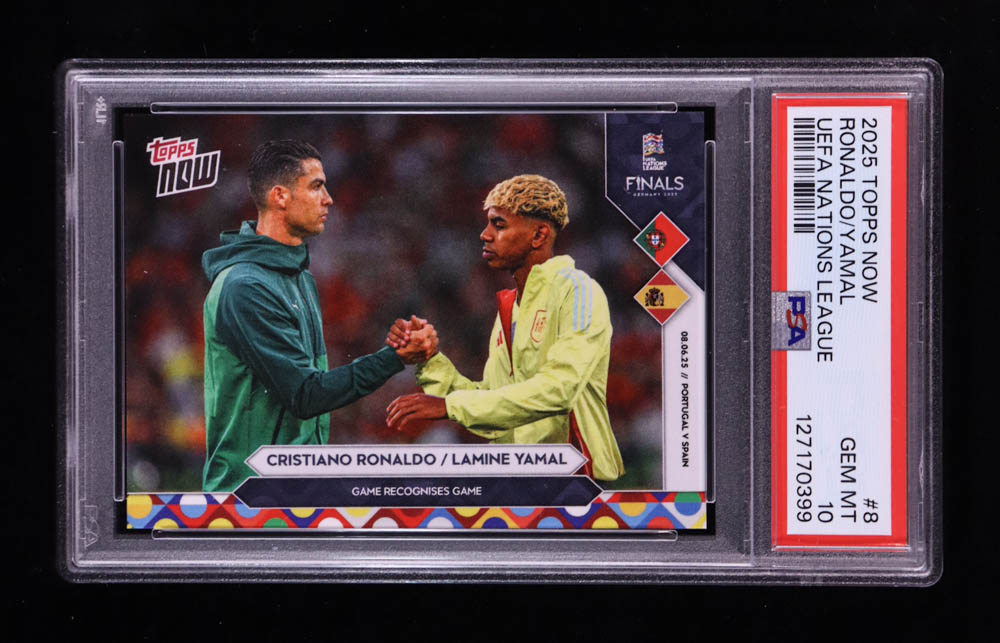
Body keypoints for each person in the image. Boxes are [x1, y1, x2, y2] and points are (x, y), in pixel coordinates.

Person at [201, 140, 436, 492]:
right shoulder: (245, 287)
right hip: (247, 497)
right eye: (316, 186)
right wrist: (394, 358)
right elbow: (306, 394)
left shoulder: (299, 277)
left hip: (293, 489)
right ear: (280, 196)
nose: (329, 199)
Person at [386, 174, 624, 481]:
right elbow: (494, 410)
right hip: (523, 482)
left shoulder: (577, 291)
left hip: (578, 480)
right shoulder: (510, 309)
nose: (484, 235)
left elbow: (559, 389)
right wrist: (430, 361)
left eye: (499, 225)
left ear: (538, 235)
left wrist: (450, 405)